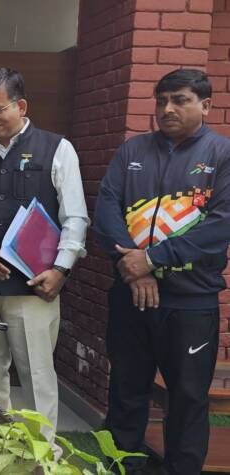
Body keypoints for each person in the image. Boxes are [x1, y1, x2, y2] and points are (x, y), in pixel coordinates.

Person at [94, 68, 230, 474]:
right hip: (130, 295)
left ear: (206, 105)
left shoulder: (221, 154)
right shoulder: (132, 151)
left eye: (180, 100)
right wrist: (136, 270)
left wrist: (152, 259)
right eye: (162, 100)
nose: (167, 109)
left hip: (190, 302)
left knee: (187, 398)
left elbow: (221, 224)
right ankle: (121, 468)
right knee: (126, 391)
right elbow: (106, 209)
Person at [0, 68, 88, 445]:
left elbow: (75, 217)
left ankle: (42, 454)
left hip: (34, 286)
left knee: (37, 376)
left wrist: (61, 269)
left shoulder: (56, 148)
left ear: (21, 106)